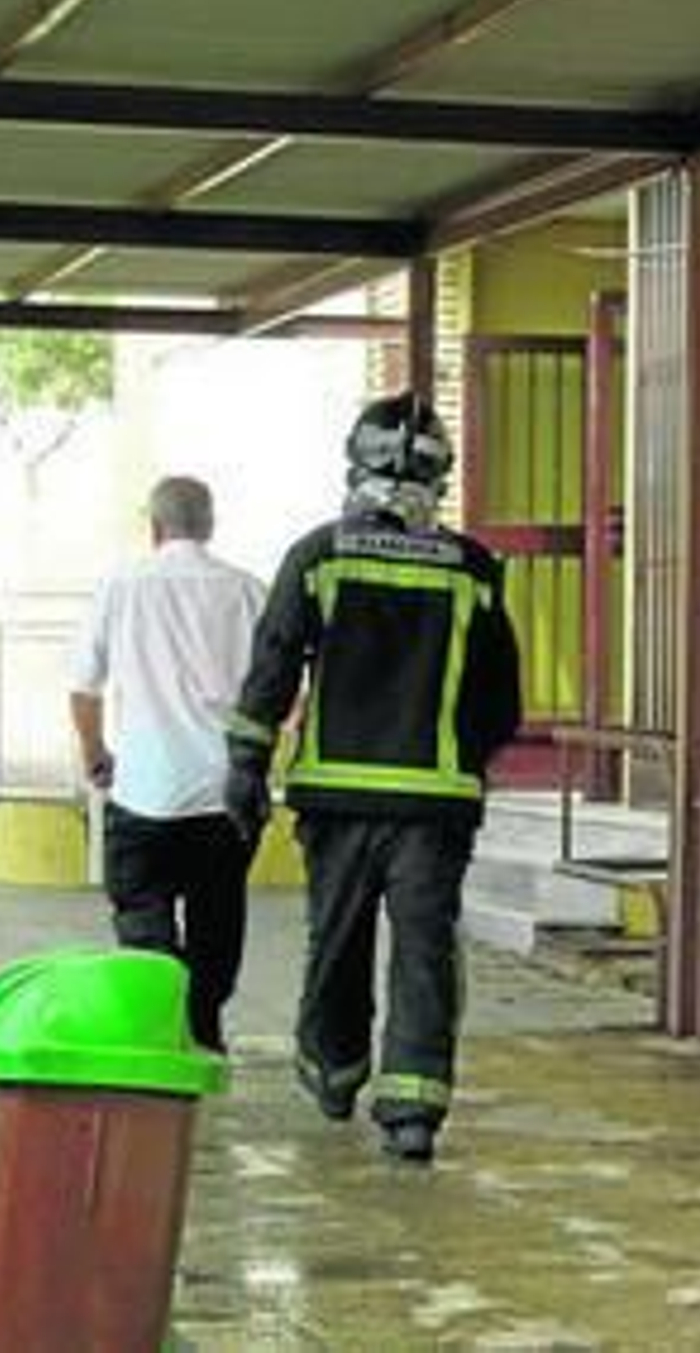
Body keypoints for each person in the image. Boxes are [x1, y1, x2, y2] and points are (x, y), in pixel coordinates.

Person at [225, 390, 521, 1163]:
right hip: (435, 806)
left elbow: (273, 665)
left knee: (338, 939)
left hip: (337, 800)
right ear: (440, 477)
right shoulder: (473, 568)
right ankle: (412, 1110)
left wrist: (246, 766)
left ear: (354, 465)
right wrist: (460, 758)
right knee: (424, 950)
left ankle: (334, 1069)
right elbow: (502, 700)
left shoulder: (319, 555)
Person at [69, 475, 266, 1055]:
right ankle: (202, 1025)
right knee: (218, 918)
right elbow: (284, 692)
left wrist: (95, 755)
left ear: (154, 527)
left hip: (143, 790)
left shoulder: (119, 585)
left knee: (141, 913)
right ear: (210, 525)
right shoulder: (248, 591)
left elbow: (83, 688)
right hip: (223, 793)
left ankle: (160, 1026)